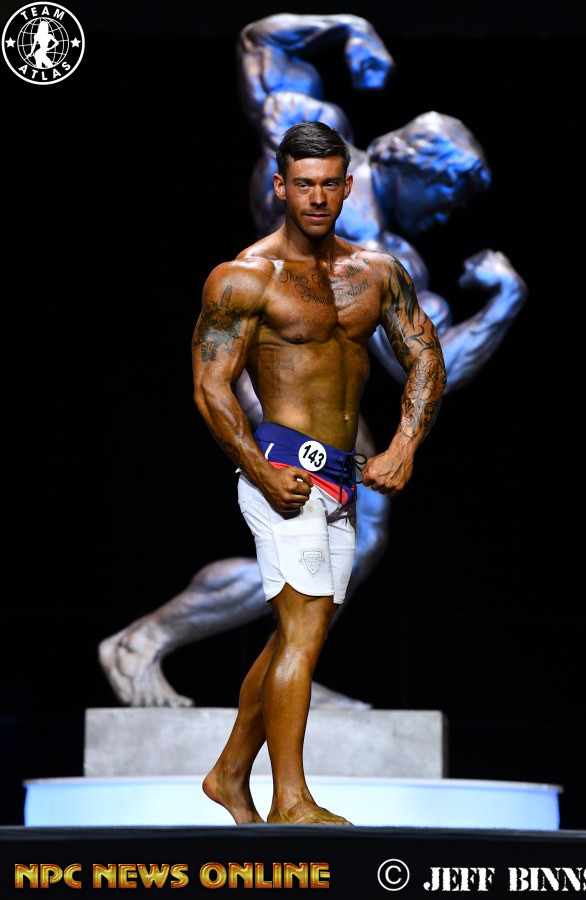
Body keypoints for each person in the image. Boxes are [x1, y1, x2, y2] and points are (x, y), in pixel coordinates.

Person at [98, 16, 526, 712]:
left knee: (358, 534)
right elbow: (257, 44)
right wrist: (503, 303)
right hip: (270, 370)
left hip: (319, 385)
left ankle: (284, 665)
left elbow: (427, 365)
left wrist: (349, 32)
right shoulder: (348, 199)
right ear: (422, 169)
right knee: (313, 529)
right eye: (450, 196)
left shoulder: (376, 234)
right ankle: (145, 642)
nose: (447, 216)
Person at [194, 121, 446, 826]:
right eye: (303, 184)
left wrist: (404, 444)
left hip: (341, 479)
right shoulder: (245, 277)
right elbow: (210, 387)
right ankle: (291, 801)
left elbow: (425, 354)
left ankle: (229, 773)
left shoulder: (376, 272)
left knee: (298, 634)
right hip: (282, 471)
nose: (316, 197)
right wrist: (260, 472)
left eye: (329, 184)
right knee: (303, 632)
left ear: (347, 186)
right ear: (281, 186)